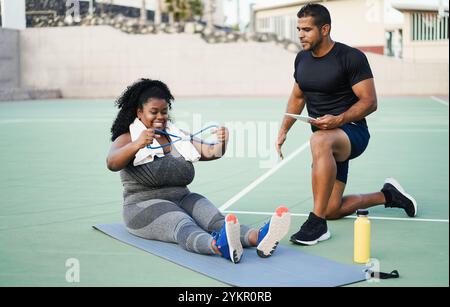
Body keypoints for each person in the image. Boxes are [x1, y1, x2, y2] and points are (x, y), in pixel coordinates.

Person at [276, 4, 417, 246]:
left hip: (352, 133)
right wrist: (283, 130)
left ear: (325, 29)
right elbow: (298, 97)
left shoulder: (350, 58)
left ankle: (317, 224)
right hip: (327, 144)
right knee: (333, 208)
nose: (300, 34)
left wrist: (338, 119)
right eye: (299, 29)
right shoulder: (301, 59)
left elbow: (370, 102)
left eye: (307, 29)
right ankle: (388, 195)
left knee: (319, 140)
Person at [107, 78, 291, 263]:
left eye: (164, 111)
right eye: (153, 112)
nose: (160, 117)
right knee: (180, 222)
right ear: (139, 112)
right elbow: (112, 163)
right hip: (143, 206)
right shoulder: (128, 138)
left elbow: (211, 152)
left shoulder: (176, 135)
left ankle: (258, 238)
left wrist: (222, 141)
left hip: (182, 197)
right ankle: (217, 246)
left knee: (215, 220)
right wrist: (137, 144)